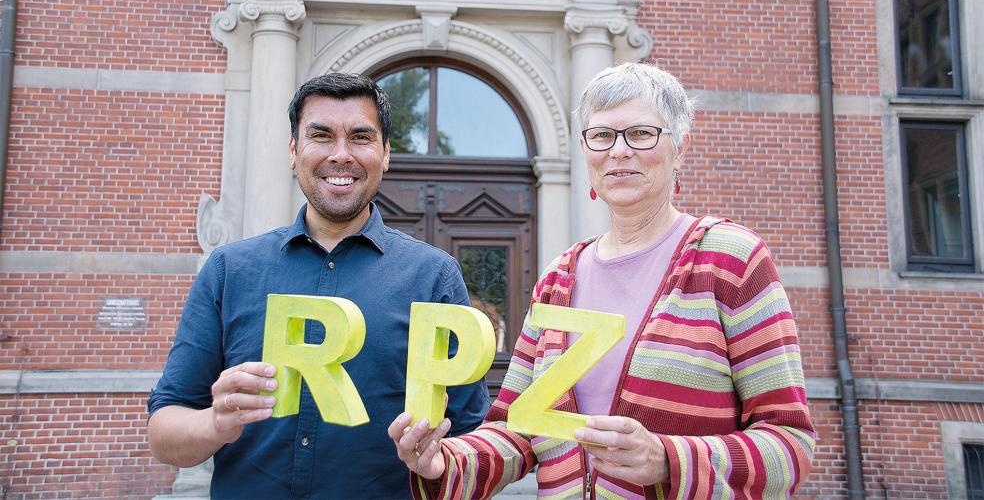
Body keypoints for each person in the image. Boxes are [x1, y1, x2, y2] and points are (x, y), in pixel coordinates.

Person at [390, 63, 815, 499]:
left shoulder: (729, 258)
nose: (619, 151)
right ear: (585, 150)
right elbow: (515, 430)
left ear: (681, 148)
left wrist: (668, 459)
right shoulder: (559, 277)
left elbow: (789, 444)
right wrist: (447, 461)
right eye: (602, 136)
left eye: (641, 134)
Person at [147, 73, 490, 499]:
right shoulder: (229, 270)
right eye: (321, 136)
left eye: (361, 137)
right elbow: (164, 434)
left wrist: (441, 462)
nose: (341, 155)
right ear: (294, 151)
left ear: (385, 154)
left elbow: (475, 440)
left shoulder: (433, 276)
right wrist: (215, 423)